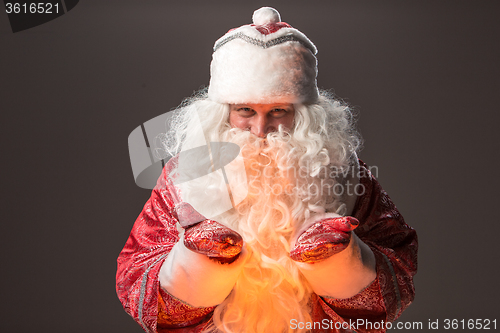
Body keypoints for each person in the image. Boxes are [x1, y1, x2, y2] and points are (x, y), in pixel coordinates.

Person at [117, 7, 417, 333]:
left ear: (304, 115)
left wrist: (337, 259)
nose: (260, 129)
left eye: (277, 111)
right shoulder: (184, 177)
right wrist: (200, 261)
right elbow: (135, 281)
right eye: (246, 110)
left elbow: (398, 277)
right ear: (222, 113)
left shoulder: (345, 174)